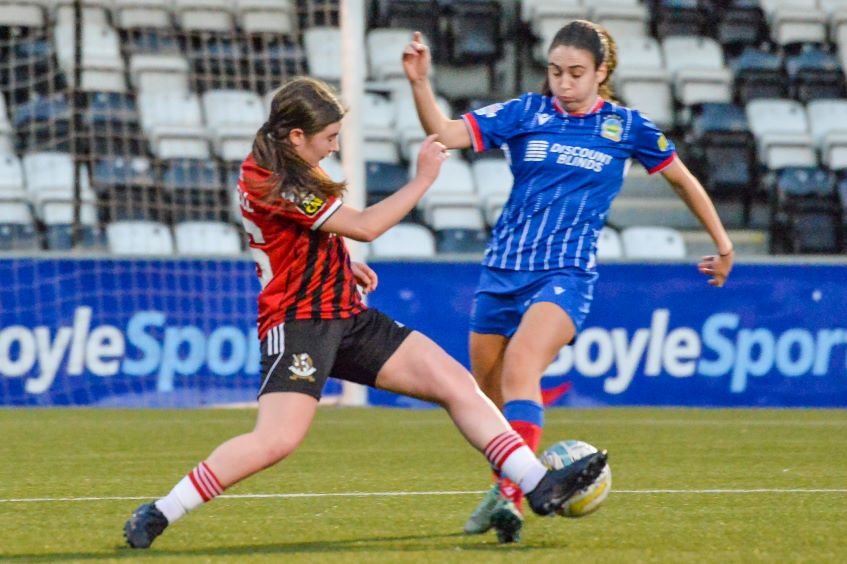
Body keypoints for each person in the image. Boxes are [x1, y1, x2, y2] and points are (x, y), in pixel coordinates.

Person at [122, 76, 608, 549]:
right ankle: (162, 510)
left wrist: (338, 262)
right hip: (299, 326)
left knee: (457, 385)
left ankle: (535, 484)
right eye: (329, 137)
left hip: (348, 316)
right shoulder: (268, 176)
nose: (334, 146)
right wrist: (422, 179)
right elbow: (366, 226)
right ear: (296, 136)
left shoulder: (292, 162)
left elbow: (301, 236)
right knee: (275, 441)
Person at [402, 21, 734, 544]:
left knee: (520, 368)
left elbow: (681, 179)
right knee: (485, 399)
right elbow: (446, 134)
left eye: (576, 73)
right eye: (555, 72)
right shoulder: (526, 113)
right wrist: (420, 83)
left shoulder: (627, 127)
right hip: (501, 272)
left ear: (601, 73)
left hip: (565, 275)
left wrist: (723, 243)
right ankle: (505, 485)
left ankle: (515, 494)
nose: (563, 83)